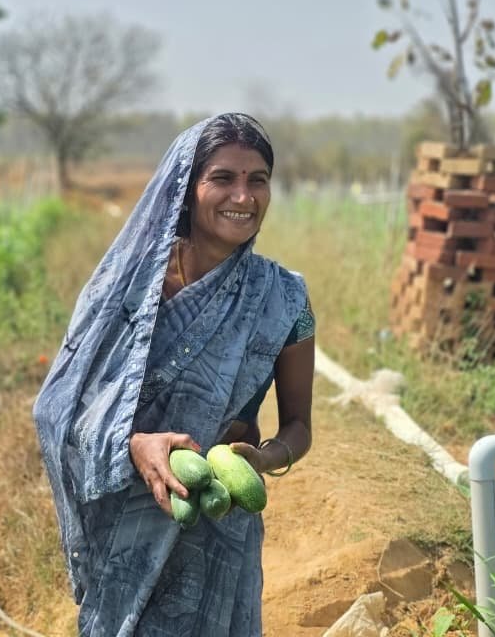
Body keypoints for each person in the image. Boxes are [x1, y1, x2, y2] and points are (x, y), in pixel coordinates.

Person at [33, 113, 316, 636]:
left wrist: (264, 457)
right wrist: (135, 445)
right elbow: (60, 412)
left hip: (219, 522)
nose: (244, 195)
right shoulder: (124, 291)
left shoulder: (283, 297)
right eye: (223, 178)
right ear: (187, 189)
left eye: (258, 180)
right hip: (127, 524)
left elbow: (299, 425)